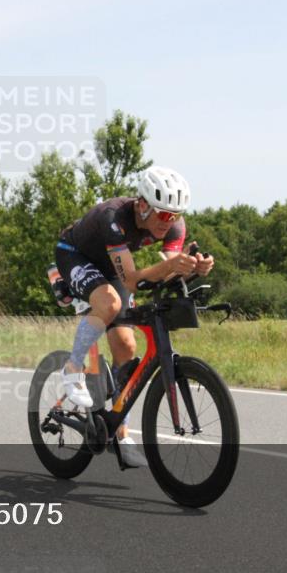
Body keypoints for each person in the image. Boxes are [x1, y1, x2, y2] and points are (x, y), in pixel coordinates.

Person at [53, 166, 214, 467]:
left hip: (112, 267)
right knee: (110, 304)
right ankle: (72, 369)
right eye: (164, 214)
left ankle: (120, 433)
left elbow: (168, 269)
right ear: (142, 206)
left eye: (176, 214)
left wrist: (194, 266)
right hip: (75, 254)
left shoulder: (174, 227)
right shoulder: (114, 218)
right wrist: (171, 266)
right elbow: (132, 280)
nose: (171, 222)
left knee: (126, 348)